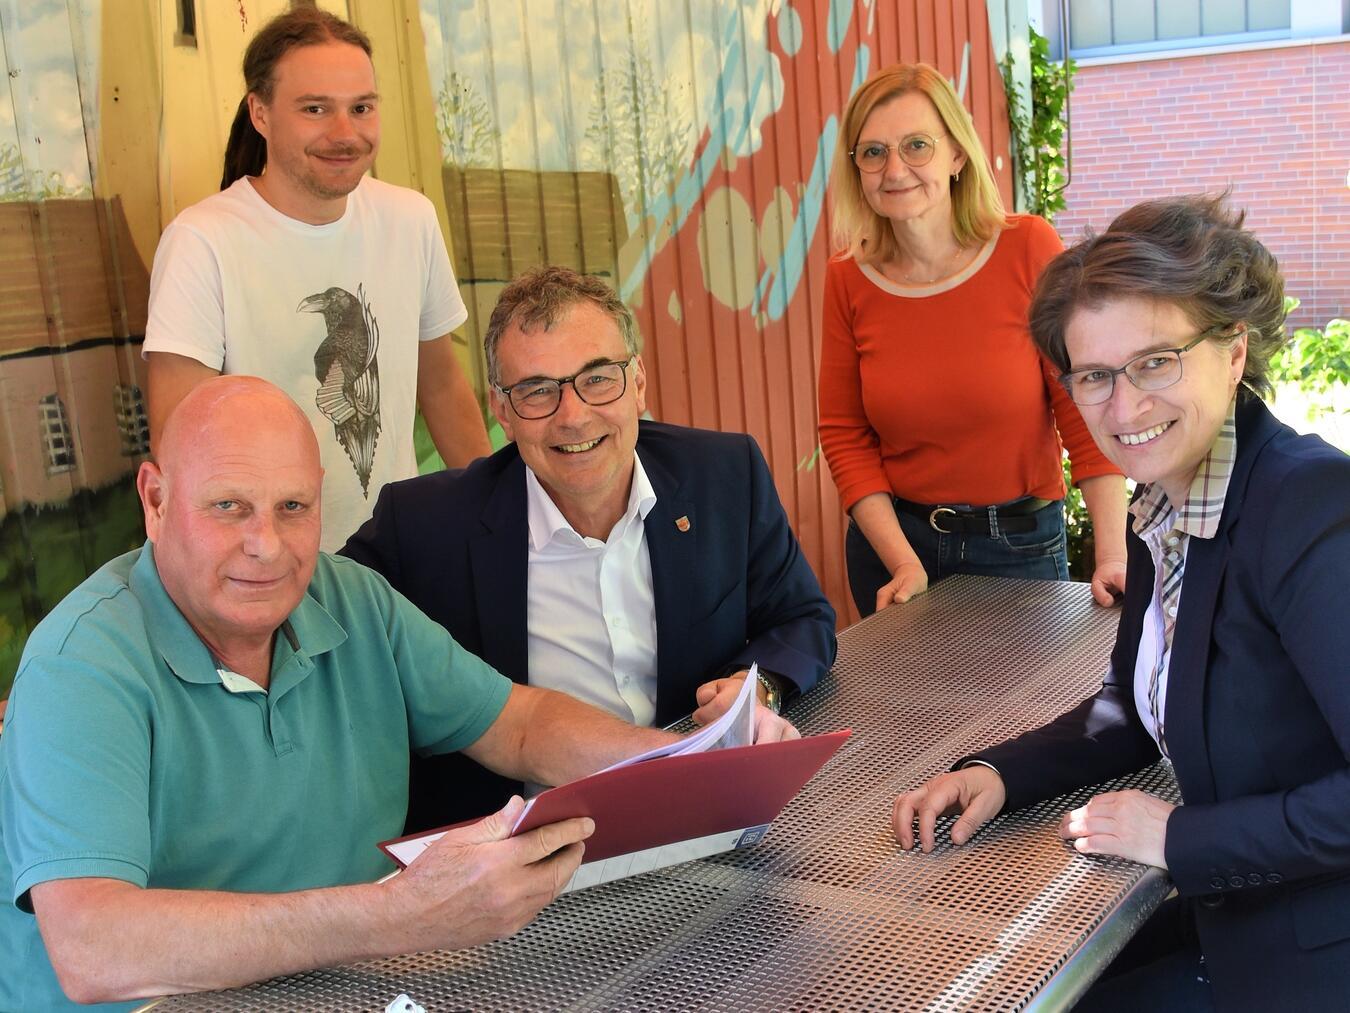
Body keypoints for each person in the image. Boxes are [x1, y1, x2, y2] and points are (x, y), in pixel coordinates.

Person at [0, 377, 684, 1012]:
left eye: (293, 506)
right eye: (228, 506)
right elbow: (92, 946)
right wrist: (397, 917)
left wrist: (685, 760)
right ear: (155, 500)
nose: (265, 545)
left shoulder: (352, 601)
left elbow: (521, 723)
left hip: (343, 989)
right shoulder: (81, 666)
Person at [892, 194, 1350, 1009]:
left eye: (1156, 361)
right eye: (1095, 375)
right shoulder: (1167, 501)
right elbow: (1130, 710)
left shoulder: (1308, 509)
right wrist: (999, 773)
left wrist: (1178, 837)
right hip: (1232, 916)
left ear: (1234, 350)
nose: (1125, 406)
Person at [342, 266, 837, 830]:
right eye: (537, 391)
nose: (573, 415)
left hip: (700, 813)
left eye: (598, 378)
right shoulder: (423, 526)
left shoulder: (725, 475)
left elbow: (802, 616)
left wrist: (759, 687)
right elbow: (319, 631)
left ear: (639, 382)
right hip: (520, 850)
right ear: (501, 412)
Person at [144, 7, 491, 552]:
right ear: (260, 112)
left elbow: (441, 383)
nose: (344, 132)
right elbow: (178, 441)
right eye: (315, 108)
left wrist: (499, 513)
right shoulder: (202, 241)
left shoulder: (411, 219)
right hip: (270, 565)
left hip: (401, 557)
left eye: (362, 108)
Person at [818, 62, 1127, 616]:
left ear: (957, 154)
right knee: (904, 707)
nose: (895, 169)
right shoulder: (847, 276)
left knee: (1035, 708)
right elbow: (844, 433)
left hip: (1017, 546)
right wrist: (902, 560)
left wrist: (1112, 552)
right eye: (873, 152)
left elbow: (1083, 404)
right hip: (893, 550)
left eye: (917, 146)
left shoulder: (1028, 246)